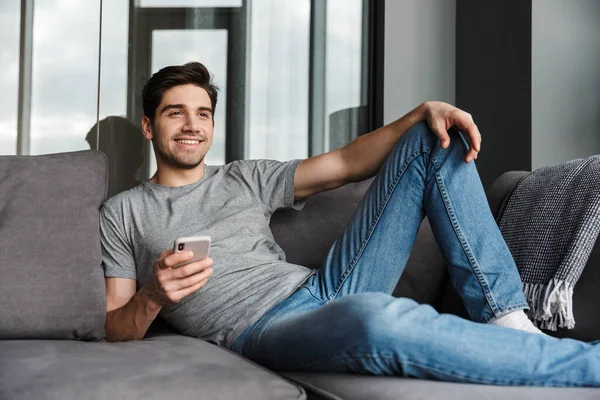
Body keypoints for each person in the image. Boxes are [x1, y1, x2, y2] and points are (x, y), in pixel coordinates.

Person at [102, 62, 600, 386]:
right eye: (175, 113)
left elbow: (342, 164)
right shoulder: (123, 211)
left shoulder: (243, 177)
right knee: (372, 319)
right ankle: (588, 366)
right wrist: (153, 297)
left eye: (203, 114)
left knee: (430, 138)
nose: (192, 125)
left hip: (329, 284)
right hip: (263, 328)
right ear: (149, 126)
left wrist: (419, 114)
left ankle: (507, 318)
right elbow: (115, 327)